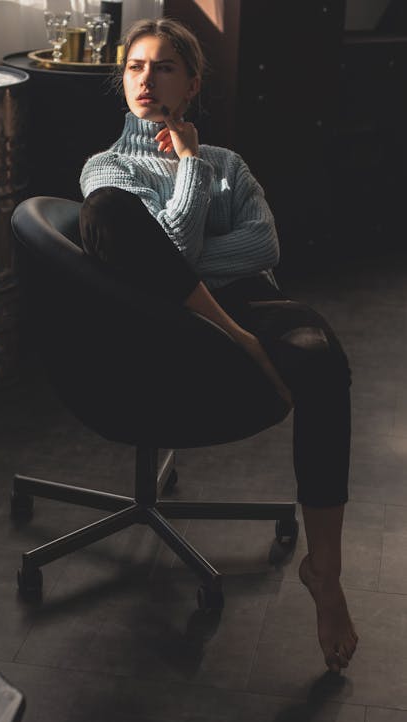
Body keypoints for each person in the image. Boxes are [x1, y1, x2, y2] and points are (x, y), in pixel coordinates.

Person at [79, 17, 358, 673]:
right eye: (135, 67)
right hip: (162, 327)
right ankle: (236, 341)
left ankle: (327, 570)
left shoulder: (229, 162)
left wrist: (196, 174)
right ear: (122, 81)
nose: (146, 80)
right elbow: (167, 244)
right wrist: (190, 175)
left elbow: (262, 248)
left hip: (250, 302)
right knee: (113, 216)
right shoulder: (107, 167)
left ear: (193, 83)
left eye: (164, 67)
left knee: (323, 356)